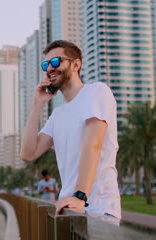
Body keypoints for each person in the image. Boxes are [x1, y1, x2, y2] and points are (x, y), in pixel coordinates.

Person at [20, 40, 121, 225]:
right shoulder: (57, 115)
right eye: (46, 64)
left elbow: (94, 145)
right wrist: (37, 105)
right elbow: (28, 153)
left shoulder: (96, 91)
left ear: (76, 64)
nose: (50, 68)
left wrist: (80, 196)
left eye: (56, 61)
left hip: (98, 209)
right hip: (68, 210)